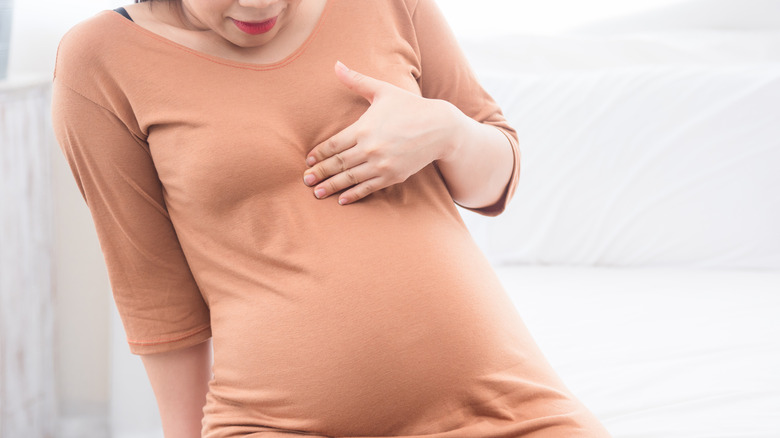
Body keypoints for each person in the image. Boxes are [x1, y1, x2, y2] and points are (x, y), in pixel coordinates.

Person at [51, 0, 612, 437]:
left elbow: (497, 179)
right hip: (279, 423)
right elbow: (155, 294)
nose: (258, 4)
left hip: (507, 407)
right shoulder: (101, 61)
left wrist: (445, 130)